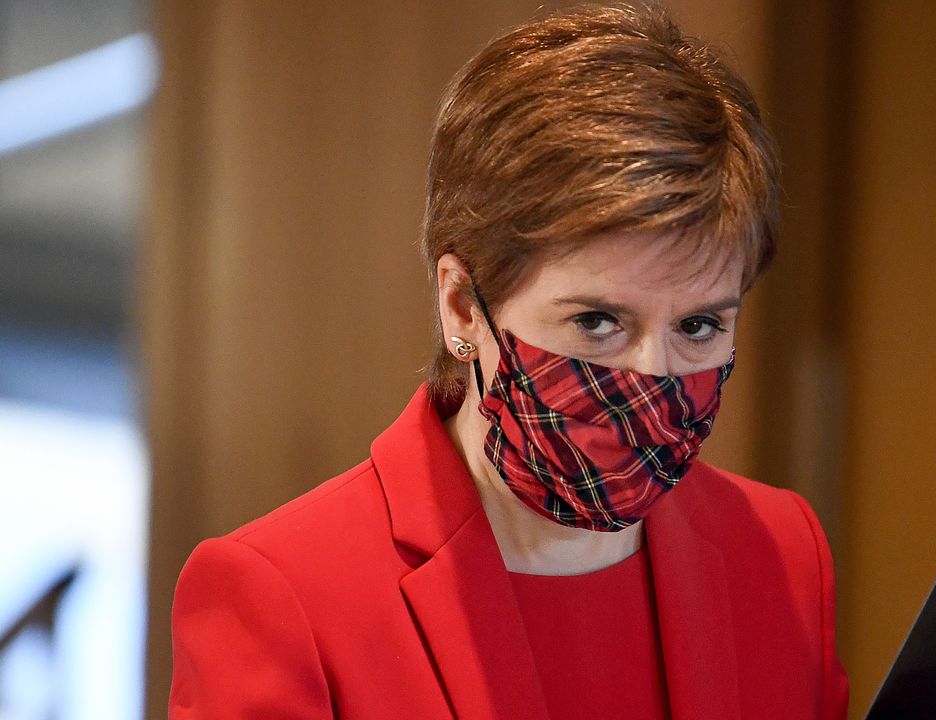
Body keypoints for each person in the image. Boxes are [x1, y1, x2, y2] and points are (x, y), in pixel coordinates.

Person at [168, 4, 850, 719]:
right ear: (463, 306)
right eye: (597, 321)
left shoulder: (780, 551)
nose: (654, 376)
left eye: (701, 324)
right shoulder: (286, 596)